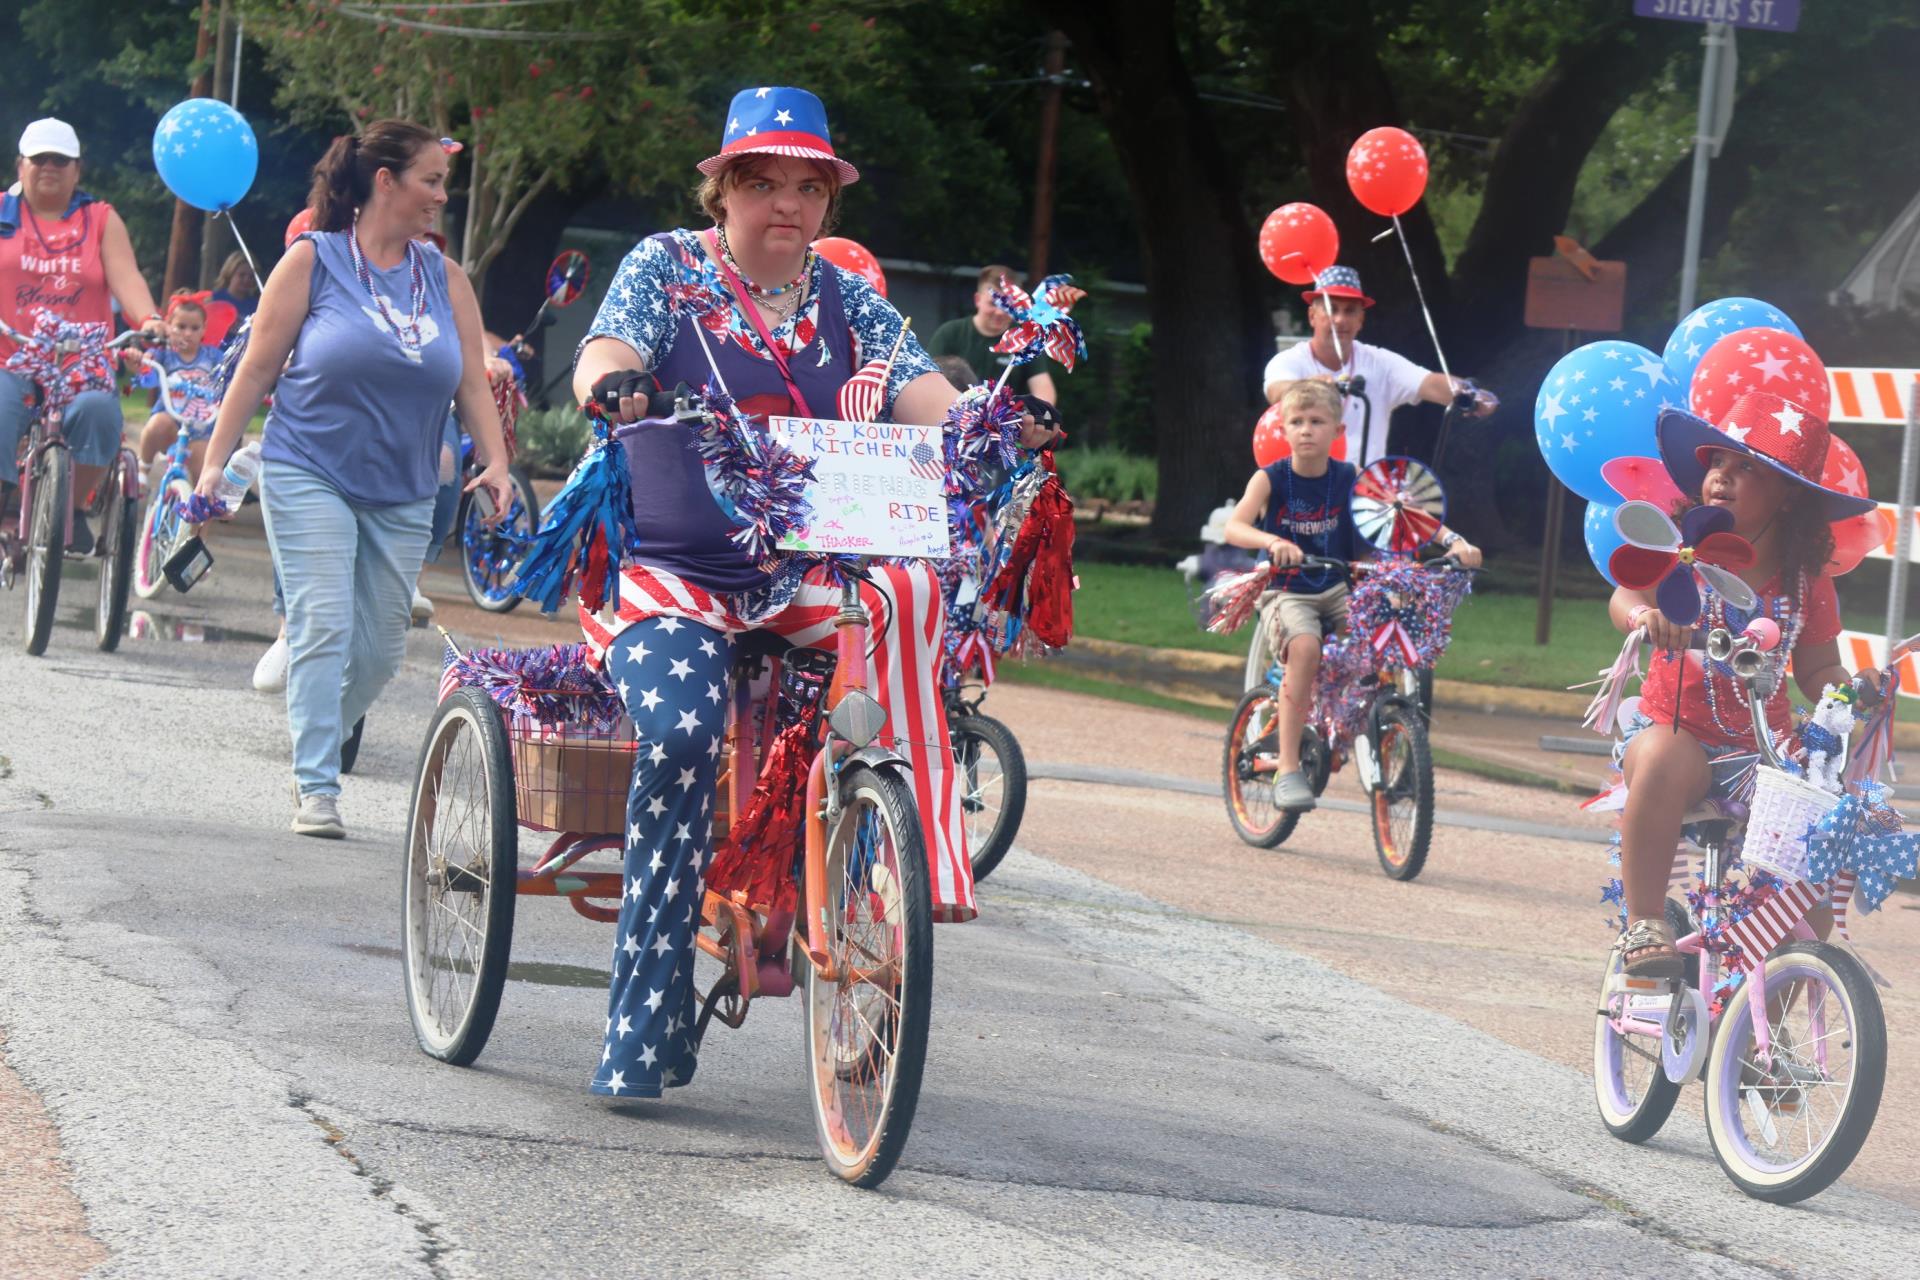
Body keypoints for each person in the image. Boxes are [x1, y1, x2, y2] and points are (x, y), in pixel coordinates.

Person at [572, 85, 1055, 1101]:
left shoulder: (852, 301)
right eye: (763, 183)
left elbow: (934, 398)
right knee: (682, 735)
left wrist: (1000, 427)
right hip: (675, 567)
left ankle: (865, 861)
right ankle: (641, 1016)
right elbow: (606, 350)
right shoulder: (667, 267)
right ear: (725, 191)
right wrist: (613, 383)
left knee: (892, 643)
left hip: (809, 573)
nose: (786, 206)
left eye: (808, 186)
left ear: (829, 202)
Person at [199, 120, 512, 839]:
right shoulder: (313, 261)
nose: (440, 195)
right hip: (309, 467)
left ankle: (313, 729)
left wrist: (494, 460)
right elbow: (256, 368)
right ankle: (317, 785)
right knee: (323, 623)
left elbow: (469, 379)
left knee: (378, 652)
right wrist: (216, 463)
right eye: (430, 180)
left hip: (405, 484)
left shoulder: (445, 277)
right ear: (384, 182)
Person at [1609, 390, 1874, 976]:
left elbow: (1817, 671)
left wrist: (1854, 689)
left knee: (1822, 827)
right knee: (1660, 757)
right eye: (1717, 464)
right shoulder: (1680, 549)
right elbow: (1626, 593)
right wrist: (1643, 617)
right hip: (1677, 733)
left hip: (1762, 754)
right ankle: (1645, 924)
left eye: (1746, 468)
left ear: (1788, 494)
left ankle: (1777, 992)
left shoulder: (1806, 580)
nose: (1721, 478)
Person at [0, 117, 166, 550]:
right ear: (21, 166)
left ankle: (68, 509)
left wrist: (148, 319)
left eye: (61, 159)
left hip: (82, 361)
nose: (49, 166)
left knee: (100, 413)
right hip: (9, 356)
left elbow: (127, 278)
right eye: (39, 158)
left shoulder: (100, 220)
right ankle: (5, 499)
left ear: (78, 169)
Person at [1261, 265, 1495, 469]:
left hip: (1366, 500)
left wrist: (1470, 393)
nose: (1340, 319)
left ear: (1360, 320)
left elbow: (1430, 383)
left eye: (1350, 310)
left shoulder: (1379, 362)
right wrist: (1313, 386)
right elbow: (1277, 391)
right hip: (1306, 494)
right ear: (1312, 316)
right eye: (1332, 309)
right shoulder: (1289, 361)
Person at [927, 264, 1059, 404]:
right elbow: (928, 381)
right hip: (952, 417)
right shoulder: (950, 333)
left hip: (1003, 421)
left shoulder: (1025, 339)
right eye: (993, 304)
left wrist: (1038, 412)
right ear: (978, 300)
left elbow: (1044, 389)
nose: (1000, 312)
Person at [135, 295, 222, 479]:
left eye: (194, 328)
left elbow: (230, 377)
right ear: (169, 326)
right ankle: (143, 468)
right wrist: (140, 365)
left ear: (204, 329)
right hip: (171, 422)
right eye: (181, 327)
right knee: (157, 424)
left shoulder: (213, 357)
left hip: (201, 428)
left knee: (204, 478)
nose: (187, 333)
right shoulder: (164, 355)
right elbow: (148, 381)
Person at [209, 249, 259, 333]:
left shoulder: (257, 305)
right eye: (241, 275)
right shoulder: (213, 299)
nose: (246, 280)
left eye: (251, 276)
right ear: (230, 274)